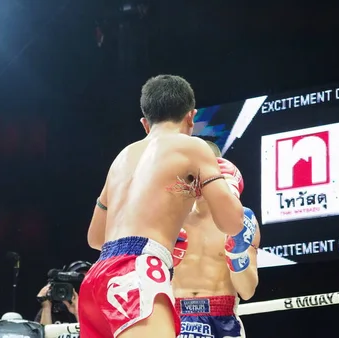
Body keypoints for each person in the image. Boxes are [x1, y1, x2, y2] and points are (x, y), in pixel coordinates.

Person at [78, 75, 246, 338]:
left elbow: (95, 238)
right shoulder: (193, 147)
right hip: (138, 270)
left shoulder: (122, 157)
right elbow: (233, 224)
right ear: (191, 117)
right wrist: (228, 185)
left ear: (145, 123)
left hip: (98, 277)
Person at [172, 140, 260, 338]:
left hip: (223, 322)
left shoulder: (239, 221)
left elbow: (247, 291)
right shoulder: (170, 221)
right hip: (174, 319)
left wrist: (236, 255)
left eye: (204, 176)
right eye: (192, 175)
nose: (198, 184)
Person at [35, 261, 92, 338]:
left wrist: (78, 313)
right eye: (77, 283)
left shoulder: (96, 311)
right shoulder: (53, 308)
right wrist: (46, 307)